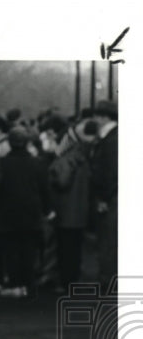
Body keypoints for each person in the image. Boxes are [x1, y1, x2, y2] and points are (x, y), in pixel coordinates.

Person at [0, 126, 54, 299]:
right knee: (29, 249)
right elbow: (45, 189)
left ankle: (14, 283)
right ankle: (29, 283)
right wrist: (48, 209)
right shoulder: (38, 163)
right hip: (31, 212)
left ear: (10, 143)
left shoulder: (1, 163)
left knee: (11, 249)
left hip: (7, 212)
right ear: (27, 143)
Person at [49, 115, 97, 287]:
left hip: (66, 210)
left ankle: (65, 281)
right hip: (80, 210)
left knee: (65, 248)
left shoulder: (68, 159)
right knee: (76, 248)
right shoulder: (85, 158)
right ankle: (73, 279)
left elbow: (61, 182)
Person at [90, 99, 118, 291]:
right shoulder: (114, 137)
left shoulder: (111, 140)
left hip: (110, 198)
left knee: (108, 240)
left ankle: (108, 280)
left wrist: (103, 198)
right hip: (113, 196)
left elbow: (109, 172)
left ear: (103, 117)